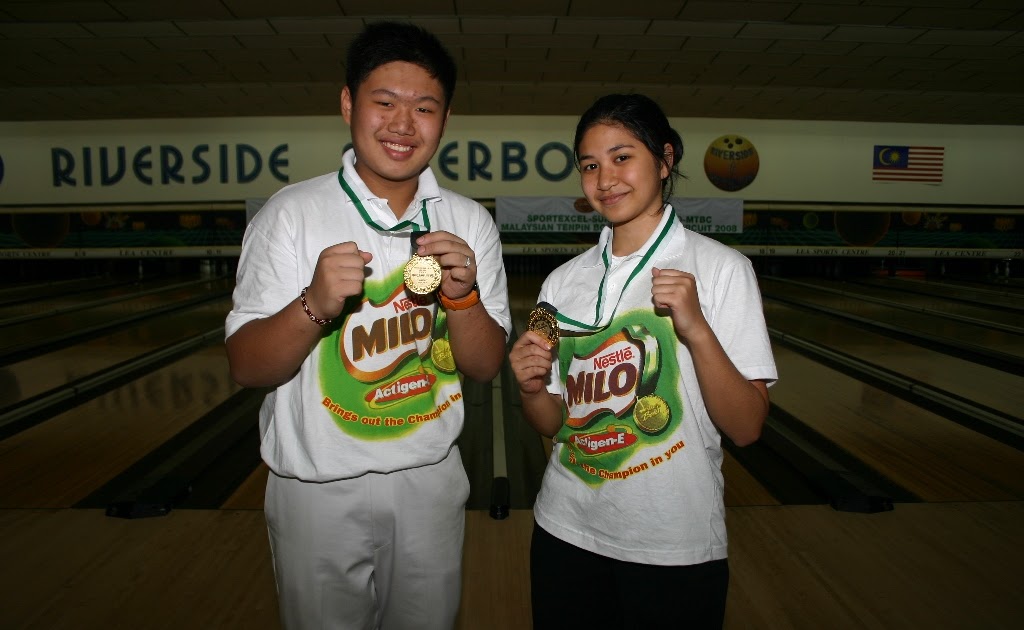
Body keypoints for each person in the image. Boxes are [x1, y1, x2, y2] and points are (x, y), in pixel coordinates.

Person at [225, 21, 511, 630]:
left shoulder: (468, 222)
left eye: (424, 108)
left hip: (430, 484)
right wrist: (313, 306)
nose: (404, 124)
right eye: (385, 103)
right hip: (316, 492)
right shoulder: (290, 214)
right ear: (349, 104)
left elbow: (486, 367)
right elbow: (247, 366)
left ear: (445, 119)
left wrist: (462, 299)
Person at [509, 93, 777, 629]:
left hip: (672, 548)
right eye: (590, 164)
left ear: (666, 158)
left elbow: (747, 427)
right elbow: (555, 425)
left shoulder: (723, 270)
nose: (605, 177)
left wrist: (696, 329)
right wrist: (532, 387)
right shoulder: (560, 283)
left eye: (622, 156)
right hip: (565, 531)